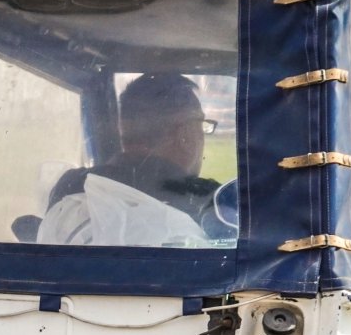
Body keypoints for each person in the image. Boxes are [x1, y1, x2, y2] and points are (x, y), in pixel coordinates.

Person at [47, 72, 223, 230]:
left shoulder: (70, 187)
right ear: (186, 135)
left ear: (123, 128)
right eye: (200, 125)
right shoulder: (211, 203)